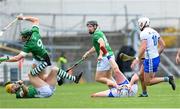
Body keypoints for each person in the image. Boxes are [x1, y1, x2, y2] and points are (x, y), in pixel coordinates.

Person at [3, 15, 82, 83]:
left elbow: (17, 58)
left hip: (43, 61)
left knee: (33, 74)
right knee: (42, 77)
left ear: (27, 36)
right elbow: (36, 20)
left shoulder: (29, 45)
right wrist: (23, 18)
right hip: (38, 57)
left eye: (23, 36)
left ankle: (67, 78)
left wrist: (4, 59)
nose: (21, 37)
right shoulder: (34, 32)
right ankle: (60, 79)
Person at [131, 17, 176, 92]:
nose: (140, 25)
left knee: (148, 82)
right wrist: (155, 54)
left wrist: (137, 59)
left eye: (141, 24)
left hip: (150, 60)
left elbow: (143, 48)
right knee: (141, 75)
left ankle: (168, 79)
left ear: (145, 23)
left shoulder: (143, 33)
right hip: (151, 58)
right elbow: (163, 45)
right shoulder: (154, 31)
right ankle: (144, 93)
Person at [82, 21, 126, 88]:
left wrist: (100, 55)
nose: (89, 28)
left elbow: (102, 45)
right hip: (110, 55)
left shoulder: (96, 35)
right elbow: (97, 46)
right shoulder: (99, 33)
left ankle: (117, 87)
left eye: (90, 26)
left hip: (104, 57)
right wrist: (88, 52)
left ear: (95, 26)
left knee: (98, 78)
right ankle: (117, 91)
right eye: (88, 27)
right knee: (108, 77)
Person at [5, 67, 83, 98]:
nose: (14, 86)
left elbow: (36, 82)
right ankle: (57, 77)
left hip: (48, 89)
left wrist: (22, 84)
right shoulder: (18, 95)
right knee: (30, 74)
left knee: (54, 69)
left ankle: (74, 79)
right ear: (12, 92)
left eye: (13, 85)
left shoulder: (21, 87)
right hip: (44, 91)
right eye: (12, 87)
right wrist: (22, 85)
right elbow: (26, 92)